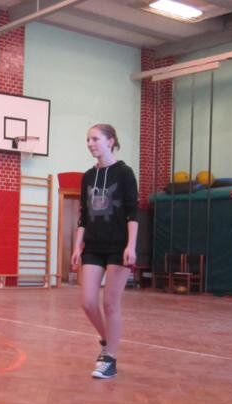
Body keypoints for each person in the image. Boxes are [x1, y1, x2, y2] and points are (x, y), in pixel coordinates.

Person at [71, 124, 138, 379]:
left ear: (110, 142)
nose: (90, 143)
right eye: (88, 139)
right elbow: (84, 216)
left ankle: (109, 358)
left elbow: (133, 213)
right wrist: (77, 246)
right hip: (93, 246)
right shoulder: (87, 177)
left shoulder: (124, 173)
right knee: (88, 302)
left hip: (118, 246)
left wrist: (131, 246)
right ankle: (107, 339)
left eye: (95, 139)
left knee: (110, 303)